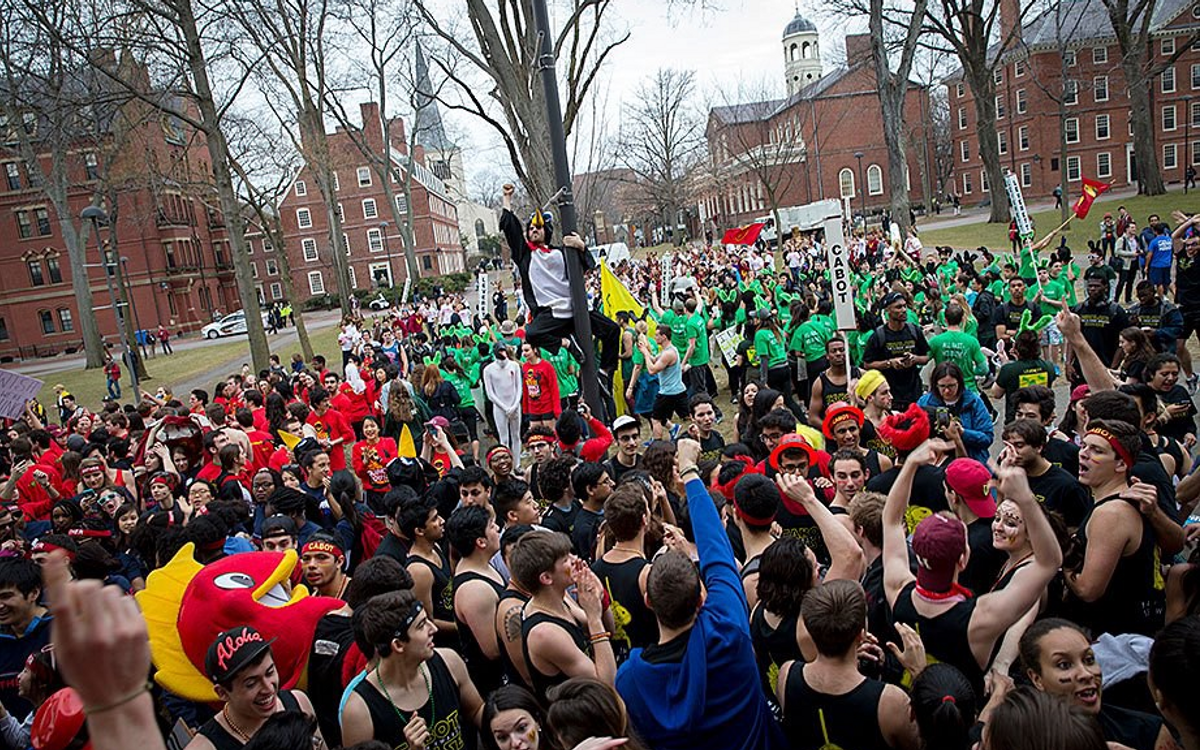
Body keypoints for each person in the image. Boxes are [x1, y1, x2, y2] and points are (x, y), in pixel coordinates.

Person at [615, 439, 787, 750]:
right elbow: (716, 550)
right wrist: (690, 473)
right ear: (700, 599)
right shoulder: (728, 630)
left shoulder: (630, 681)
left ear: (648, 601)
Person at [882, 440, 1062, 697]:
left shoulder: (896, 589)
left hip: (904, 707)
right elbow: (1050, 562)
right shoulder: (981, 617)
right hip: (962, 716)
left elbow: (890, 520)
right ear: (964, 558)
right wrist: (1025, 497)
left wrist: (910, 464)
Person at [776, 580, 920, 750]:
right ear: (862, 633)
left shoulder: (786, 676)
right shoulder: (890, 703)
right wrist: (919, 672)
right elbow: (924, 742)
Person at [500, 184, 620, 382]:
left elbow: (588, 264)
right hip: (550, 313)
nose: (533, 231)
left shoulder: (562, 251)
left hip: (576, 309)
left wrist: (581, 247)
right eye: (530, 229)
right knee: (531, 333)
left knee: (612, 330)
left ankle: (606, 372)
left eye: (537, 228)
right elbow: (511, 230)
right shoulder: (525, 255)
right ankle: (567, 343)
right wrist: (507, 199)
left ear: (546, 230)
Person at [340, 590, 484, 747]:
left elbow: (477, 712)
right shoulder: (359, 710)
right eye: (422, 625)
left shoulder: (449, 663)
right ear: (398, 645)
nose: (434, 629)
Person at [1062, 419, 1165, 636]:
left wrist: (1061, 561)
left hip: (1115, 640)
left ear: (1121, 464)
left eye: (1097, 450)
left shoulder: (1111, 514)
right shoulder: (1122, 499)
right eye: (1084, 446)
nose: (1083, 454)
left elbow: (1088, 590)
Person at [1019, 618, 1170, 750]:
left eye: (1089, 660)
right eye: (1064, 665)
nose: (1086, 674)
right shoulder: (1019, 737)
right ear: (1036, 679)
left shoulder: (1147, 731)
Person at [186, 626, 321, 749]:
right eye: (251, 684)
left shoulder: (299, 703)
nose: (268, 688)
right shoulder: (205, 746)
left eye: (270, 673)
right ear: (222, 692)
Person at [448, 504, 506, 699]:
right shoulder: (475, 590)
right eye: (491, 526)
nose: (497, 528)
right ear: (481, 542)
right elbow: (493, 650)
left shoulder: (482, 565)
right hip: (495, 684)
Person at [862, 292, 930, 411]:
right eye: (898, 307)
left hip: (913, 392)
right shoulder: (878, 335)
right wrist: (889, 363)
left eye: (904, 306)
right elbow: (867, 365)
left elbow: (926, 357)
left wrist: (914, 359)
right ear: (888, 310)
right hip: (890, 394)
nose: (903, 310)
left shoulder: (914, 330)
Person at [917, 362, 994, 464]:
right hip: (935, 461)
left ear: (960, 383)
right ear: (935, 385)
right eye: (942, 386)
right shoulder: (925, 402)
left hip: (972, 459)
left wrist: (963, 433)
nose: (947, 391)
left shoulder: (974, 401)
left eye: (951, 386)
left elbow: (987, 437)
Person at [484, 342, 524, 457]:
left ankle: (517, 464)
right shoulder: (488, 370)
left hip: (514, 405)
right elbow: (490, 393)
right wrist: (505, 407)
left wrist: (515, 405)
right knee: (504, 438)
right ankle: (508, 463)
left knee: (516, 436)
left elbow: (519, 388)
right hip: (500, 407)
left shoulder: (514, 366)